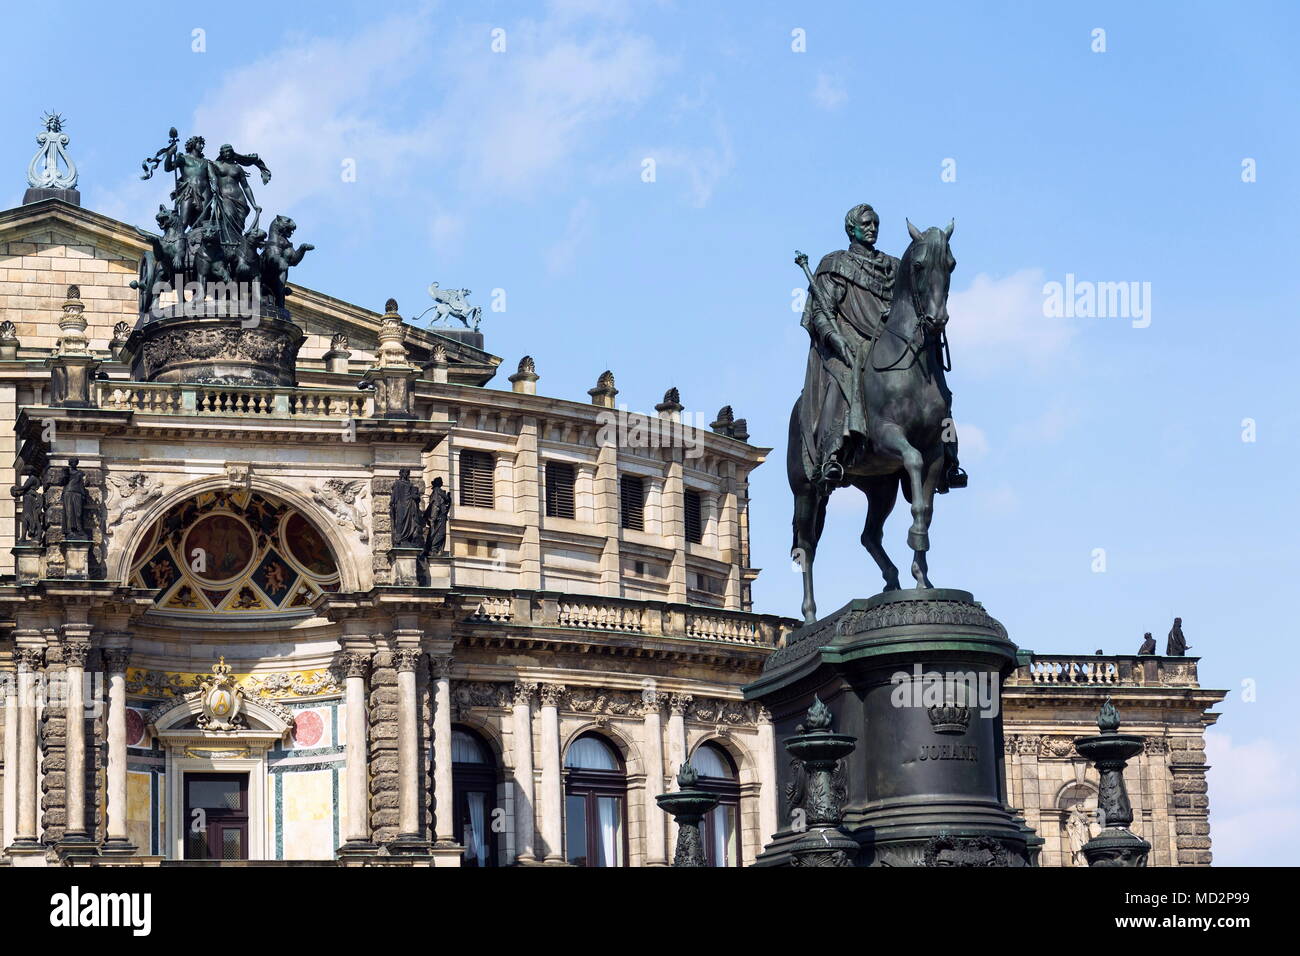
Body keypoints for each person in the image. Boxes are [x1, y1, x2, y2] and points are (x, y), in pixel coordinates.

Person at [798, 203, 966, 491]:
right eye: (865, 224)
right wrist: (835, 338)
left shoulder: (892, 265)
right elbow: (820, 313)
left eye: (875, 223)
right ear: (851, 229)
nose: (872, 228)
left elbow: (909, 299)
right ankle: (833, 452)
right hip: (852, 339)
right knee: (845, 376)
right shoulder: (835, 265)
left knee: (938, 383)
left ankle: (949, 456)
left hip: (890, 338)